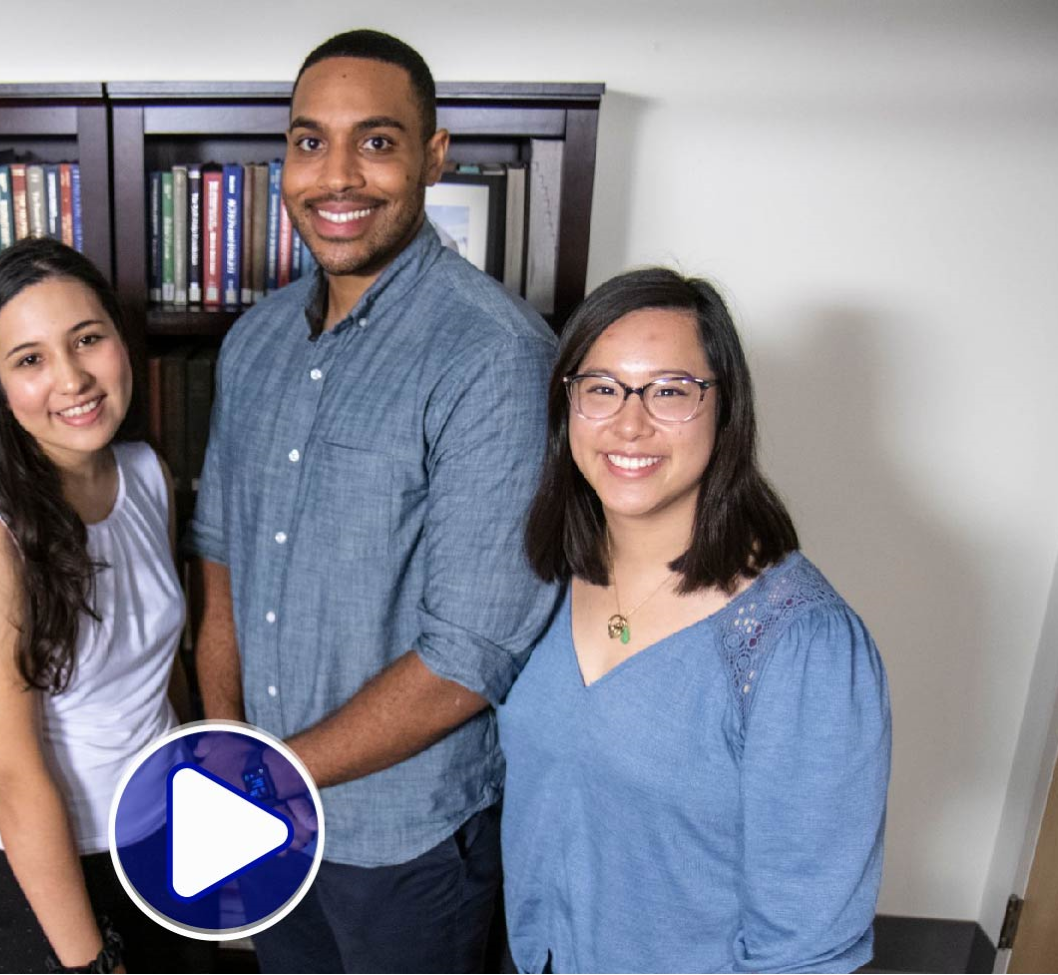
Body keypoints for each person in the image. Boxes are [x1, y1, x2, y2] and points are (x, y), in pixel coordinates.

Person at [188, 28, 560, 973]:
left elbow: (468, 657)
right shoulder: (253, 343)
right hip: (267, 817)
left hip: (406, 845)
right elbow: (222, 566)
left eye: (377, 141)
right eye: (310, 142)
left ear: (434, 157)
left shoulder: (494, 355)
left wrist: (269, 778)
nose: (337, 175)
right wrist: (234, 759)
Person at [501, 267, 892, 973]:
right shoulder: (550, 574)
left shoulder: (799, 645)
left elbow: (806, 949)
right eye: (601, 388)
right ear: (567, 406)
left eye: (670, 391)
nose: (629, 423)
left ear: (725, 407)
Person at [0, 237, 209, 973]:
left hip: (154, 835)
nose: (72, 378)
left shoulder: (145, 471)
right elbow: (10, 772)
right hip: (32, 868)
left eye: (87, 339)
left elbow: (160, 668)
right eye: (30, 359)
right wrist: (89, 962)